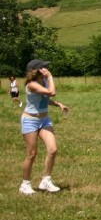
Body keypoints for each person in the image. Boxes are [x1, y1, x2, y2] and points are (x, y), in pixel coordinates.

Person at [19, 59, 69, 195]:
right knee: (31, 154)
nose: (46, 69)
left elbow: (45, 98)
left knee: (53, 150)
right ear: (36, 71)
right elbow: (51, 92)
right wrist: (50, 77)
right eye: (43, 68)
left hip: (44, 120)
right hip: (30, 120)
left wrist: (58, 104)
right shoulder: (32, 85)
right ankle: (25, 184)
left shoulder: (44, 82)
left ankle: (45, 181)